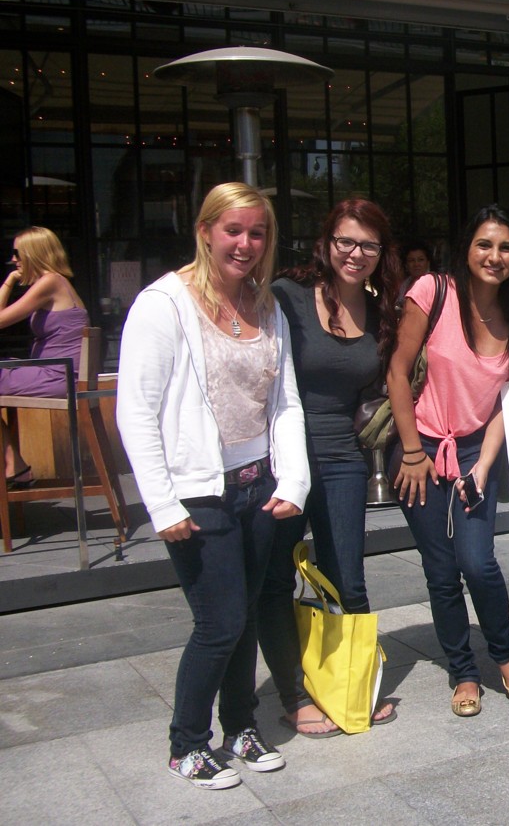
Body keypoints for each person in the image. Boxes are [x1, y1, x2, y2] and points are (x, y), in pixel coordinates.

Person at [116, 182, 309, 789]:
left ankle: (241, 726)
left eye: (257, 233)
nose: (245, 244)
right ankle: (187, 743)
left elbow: (285, 401)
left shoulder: (265, 305)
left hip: (258, 486)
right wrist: (161, 502)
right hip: (198, 492)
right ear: (205, 231)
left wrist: (294, 478)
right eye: (233, 230)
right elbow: (135, 411)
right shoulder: (163, 304)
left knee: (245, 615)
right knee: (220, 622)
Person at [388, 205, 509, 718]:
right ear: (466, 248)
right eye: (484, 244)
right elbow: (397, 371)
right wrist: (413, 452)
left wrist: (483, 465)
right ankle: (463, 670)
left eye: (506, 247)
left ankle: (505, 654)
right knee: (440, 571)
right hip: (420, 446)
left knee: (477, 561)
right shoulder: (432, 291)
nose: (495, 256)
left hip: (480, 446)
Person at [258, 199, 402, 738]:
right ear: (327, 242)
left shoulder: (382, 311)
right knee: (277, 579)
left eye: (368, 245)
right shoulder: (287, 296)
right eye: (346, 241)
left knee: (348, 577)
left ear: (381, 253)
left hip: (343, 458)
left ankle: (351, 687)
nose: (355, 253)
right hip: (282, 458)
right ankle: (294, 694)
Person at [0, 227, 89, 488]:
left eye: (18, 253)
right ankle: (14, 464)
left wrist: (8, 282)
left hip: (59, 376)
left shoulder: (50, 282)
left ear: (34, 253)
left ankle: (14, 465)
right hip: (56, 372)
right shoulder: (55, 282)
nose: (13, 260)